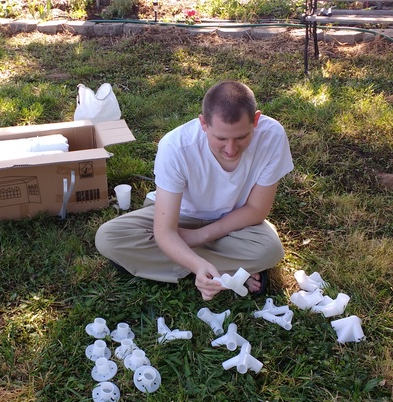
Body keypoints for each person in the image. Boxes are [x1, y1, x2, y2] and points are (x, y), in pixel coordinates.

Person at [95, 81, 294, 300]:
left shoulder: (272, 136)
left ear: (256, 120)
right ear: (203, 124)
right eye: (220, 138)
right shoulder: (175, 147)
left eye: (241, 137)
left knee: (270, 249)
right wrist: (197, 264)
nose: (231, 149)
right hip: (181, 215)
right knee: (108, 237)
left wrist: (198, 237)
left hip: (234, 220)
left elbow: (256, 210)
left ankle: (168, 262)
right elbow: (165, 230)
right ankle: (230, 269)